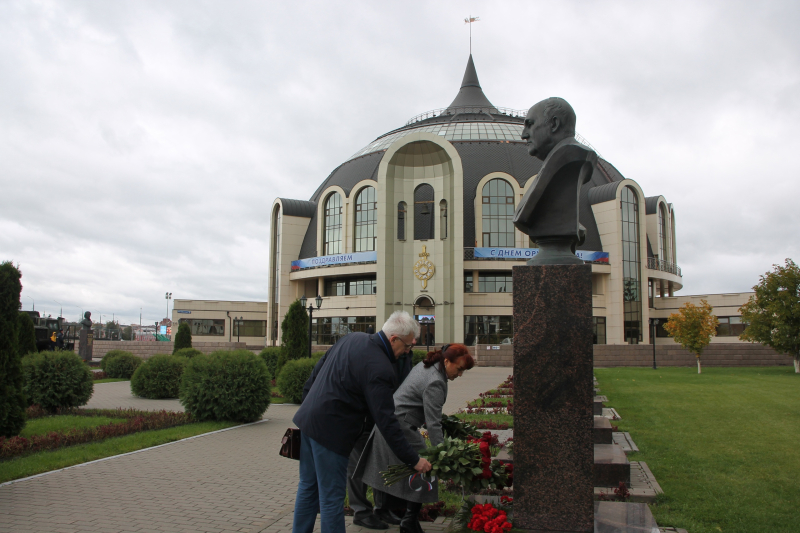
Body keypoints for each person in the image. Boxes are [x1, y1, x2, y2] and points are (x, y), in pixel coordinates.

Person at [292, 311, 432, 533]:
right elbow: (387, 422)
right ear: (394, 339)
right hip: (331, 435)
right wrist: (413, 459)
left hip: (308, 424)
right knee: (331, 498)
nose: (407, 352)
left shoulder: (352, 338)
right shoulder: (380, 368)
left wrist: (309, 408)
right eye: (407, 346)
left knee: (308, 488)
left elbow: (315, 375)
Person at [357, 344, 475, 533]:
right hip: (401, 427)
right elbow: (433, 423)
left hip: (391, 422)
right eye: (459, 369)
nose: (460, 374)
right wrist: (442, 454)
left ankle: (386, 510)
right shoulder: (436, 381)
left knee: (391, 468)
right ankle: (409, 520)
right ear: (447, 361)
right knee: (426, 468)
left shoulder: (428, 365)